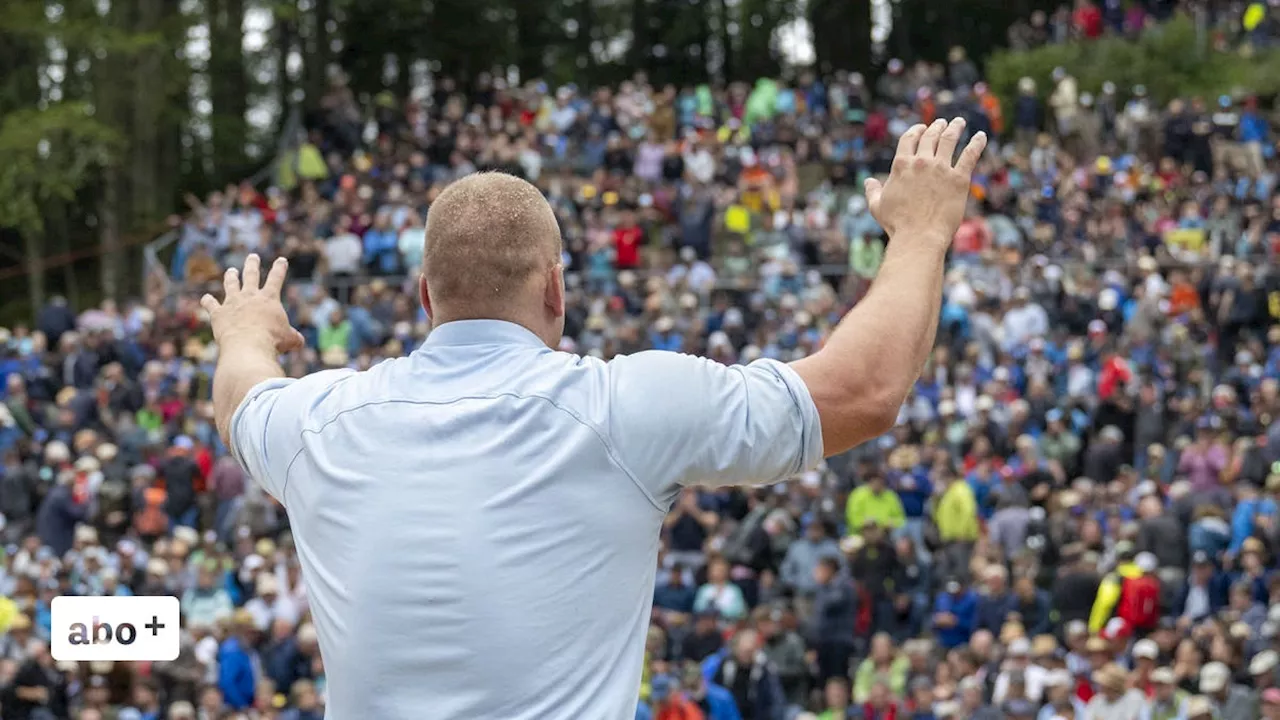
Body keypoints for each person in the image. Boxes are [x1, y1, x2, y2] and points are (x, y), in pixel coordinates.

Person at [201, 119, 988, 718]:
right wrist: (920, 232)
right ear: (556, 290)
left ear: (425, 298)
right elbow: (864, 390)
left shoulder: (319, 423)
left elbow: (241, 396)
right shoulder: (620, 408)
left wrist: (243, 327)